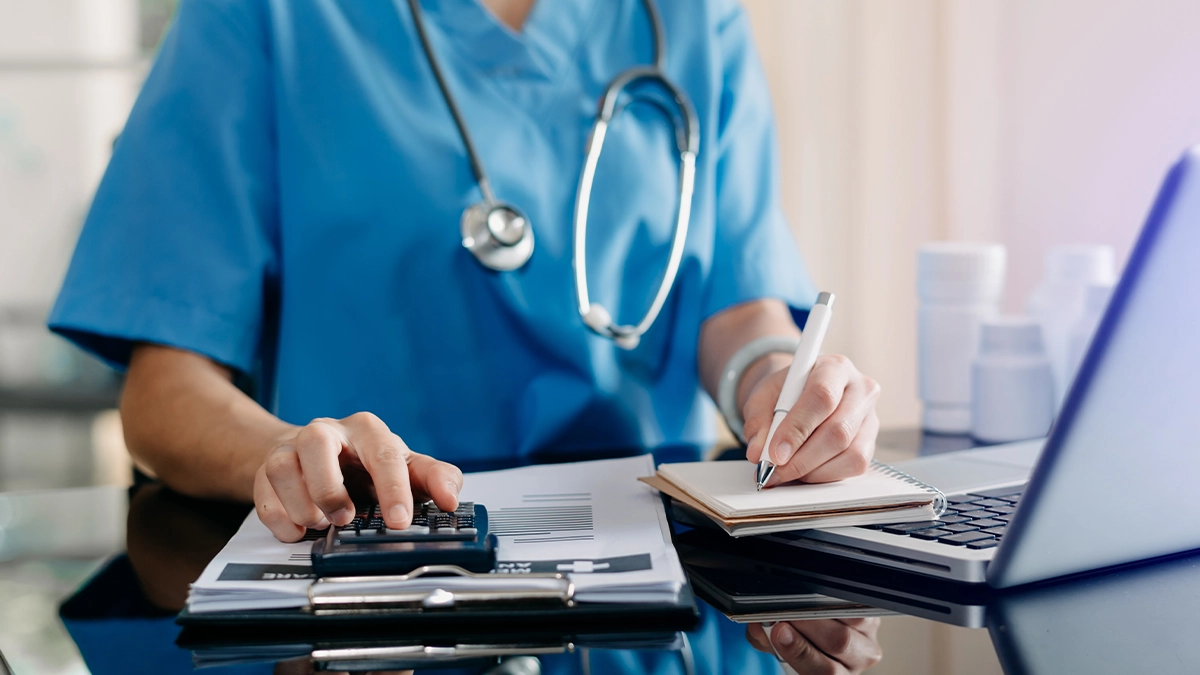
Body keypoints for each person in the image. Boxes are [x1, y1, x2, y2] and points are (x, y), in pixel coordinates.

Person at [51, 0, 879, 580]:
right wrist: (275, 453)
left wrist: (777, 384)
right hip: (374, 562)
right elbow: (165, 390)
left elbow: (737, 301)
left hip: (649, 579)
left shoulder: (691, 16)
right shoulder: (263, 15)